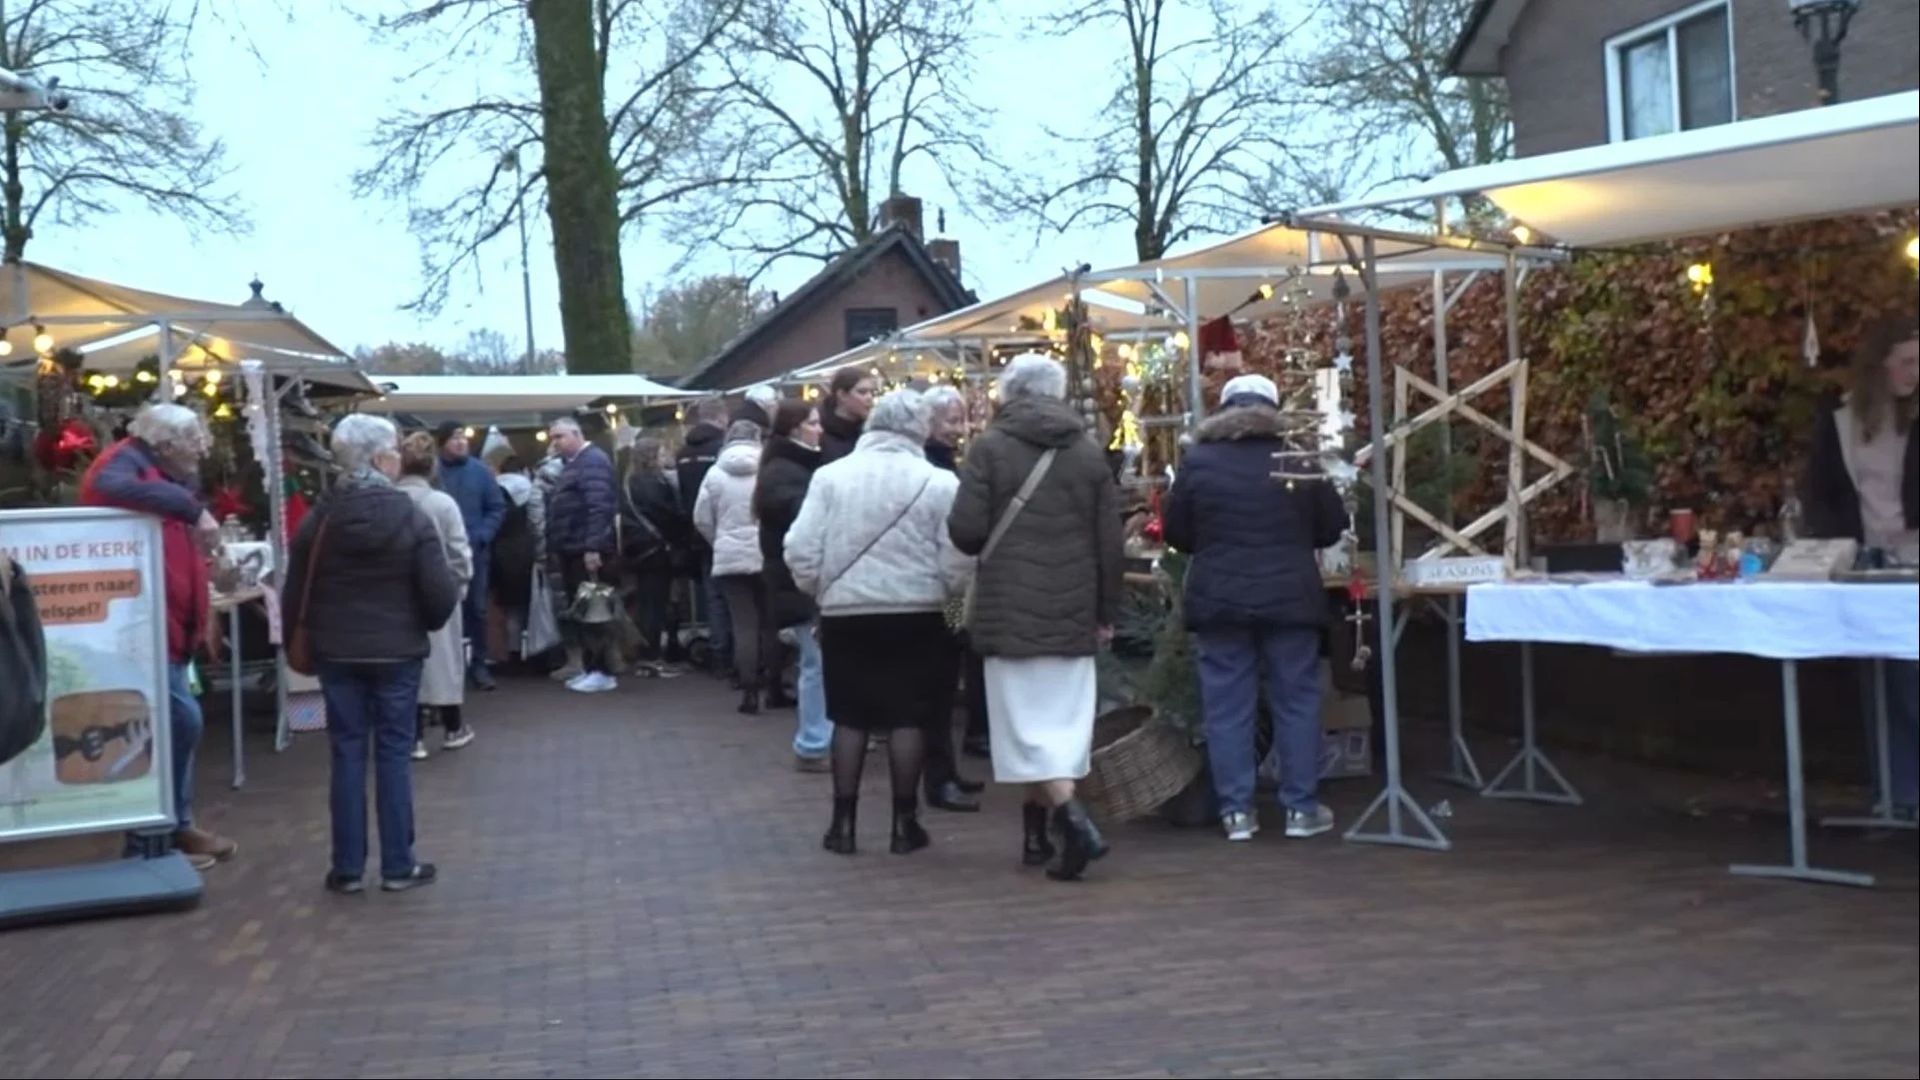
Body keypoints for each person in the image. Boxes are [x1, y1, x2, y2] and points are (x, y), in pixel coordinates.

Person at [949, 354, 1123, 881]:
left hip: (1009, 610)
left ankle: (1073, 822)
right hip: (1072, 611)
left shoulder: (989, 449)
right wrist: (1106, 611)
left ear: (1008, 392)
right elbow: (1110, 544)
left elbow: (966, 531)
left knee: (1024, 730)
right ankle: (1037, 836)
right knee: (1061, 731)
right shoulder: (1089, 453)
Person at [1162, 374, 1347, 842]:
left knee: (1227, 707)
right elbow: (1331, 527)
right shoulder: (1298, 457)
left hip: (1220, 599)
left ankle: (1237, 813)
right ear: (1274, 407)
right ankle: (1301, 809)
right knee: (1298, 701)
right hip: (1290, 599)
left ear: (1223, 410)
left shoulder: (1198, 461)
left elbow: (1177, 533)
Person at [786, 390, 968, 856]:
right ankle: (904, 824)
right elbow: (956, 561)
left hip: (847, 612)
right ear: (919, 429)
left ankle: (841, 824)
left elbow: (800, 548)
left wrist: (821, 590)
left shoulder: (830, 477)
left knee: (850, 716)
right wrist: (952, 605)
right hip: (918, 612)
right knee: (909, 717)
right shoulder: (939, 482)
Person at [283, 414, 459, 894]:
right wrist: (417, 622)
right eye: (395, 450)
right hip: (397, 651)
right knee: (394, 753)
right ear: (382, 458)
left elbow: (295, 588)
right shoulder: (411, 516)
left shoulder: (320, 520)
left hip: (336, 651)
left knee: (346, 752)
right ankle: (399, 865)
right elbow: (440, 594)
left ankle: (347, 867)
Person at [79, 403, 236, 871]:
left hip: (169, 626)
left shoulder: (164, 473)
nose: (203, 447)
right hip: (137, 625)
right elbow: (103, 487)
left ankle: (174, 826)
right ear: (165, 445)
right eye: (195, 439)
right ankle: (153, 838)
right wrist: (195, 512)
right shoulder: (123, 465)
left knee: (173, 724)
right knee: (177, 722)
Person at [1803, 314, 1919, 820]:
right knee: (1876, 681)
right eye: (1908, 362)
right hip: (1864, 566)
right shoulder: (1839, 421)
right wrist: (1835, 548)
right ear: (1879, 365)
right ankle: (1895, 793)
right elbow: (1820, 492)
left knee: (1912, 680)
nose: (1916, 373)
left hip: (1914, 566)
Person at [919, 384, 984, 812]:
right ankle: (938, 776)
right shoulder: (932, 470)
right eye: (950, 421)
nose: (958, 429)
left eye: (961, 420)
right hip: (941, 587)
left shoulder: (949, 464)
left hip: (953, 585)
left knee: (950, 674)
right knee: (938, 683)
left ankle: (948, 769)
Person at [756, 400, 830, 770]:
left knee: (817, 661)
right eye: (813, 423)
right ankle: (814, 743)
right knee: (815, 662)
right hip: (797, 581)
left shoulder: (788, 468)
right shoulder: (786, 472)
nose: (820, 429)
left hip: (795, 578)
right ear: (794, 429)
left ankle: (820, 738)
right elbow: (801, 526)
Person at [397, 432, 476, 759]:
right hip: (439, 591)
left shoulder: (390, 500)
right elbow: (459, 552)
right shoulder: (443, 504)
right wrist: (459, 587)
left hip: (398, 595)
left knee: (409, 664)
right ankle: (453, 726)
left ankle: (413, 735)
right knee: (445, 662)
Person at [697, 421, 778, 714]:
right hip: (765, 553)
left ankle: (748, 691)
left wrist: (719, 539)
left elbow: (701, 517)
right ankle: (775, 686)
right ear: (758, 437)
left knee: (743, 624)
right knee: (770, 623)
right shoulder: (768, 468)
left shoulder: (715, 474)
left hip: (729, 557)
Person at [546, 417, 621, 694]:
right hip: (574, 547)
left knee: (594, 612)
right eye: (553, 437)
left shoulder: (591, 462)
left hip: (584, 549)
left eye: (560, 436)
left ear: (577, 434)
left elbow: (599, 506)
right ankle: (593, 668)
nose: (555, 442)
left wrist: (593, 547)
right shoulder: (579, 463)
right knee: (586, 611)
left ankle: (601, 670)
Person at [432, 422, 505, 691]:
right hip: (437, 553)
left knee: (477, 609)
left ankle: (479, 663)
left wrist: (484, 534)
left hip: (474, 550)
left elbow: (496, 507)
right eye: (454, 438)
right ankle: (447, 668)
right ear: (442, 443)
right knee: (443, 609)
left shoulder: (480, 472)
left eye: (463, 437)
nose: (461, 442)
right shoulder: (432, 472)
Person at [622, 436, 692, 674]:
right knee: (655, 603)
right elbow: (666, 514)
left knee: (648, 601)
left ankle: (648, 652)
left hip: (641, 548)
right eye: (661, 453)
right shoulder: (651, 482)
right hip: (656, 548)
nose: (665, 457)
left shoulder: (631, 481)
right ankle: (650, 654)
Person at [677, 397, 734, 676]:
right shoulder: (723, 450)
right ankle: (737, 653)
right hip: (728, 531)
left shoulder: (683, 452)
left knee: (712, 596)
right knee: (736, 597)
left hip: (698, 532)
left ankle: (718, 651)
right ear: (723, 417)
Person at [488, 452, 540, 667]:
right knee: (533, 606)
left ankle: (512, 653)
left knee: (508, 608)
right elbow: (538, 523)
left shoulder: (494, 491)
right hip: (527, 551)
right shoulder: (532, 490)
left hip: (500, 553)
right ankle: (538, 652)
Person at [818, 367, 877, 464]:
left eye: (872, 392)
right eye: (862, 392)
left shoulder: (872, 431)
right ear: (842, 395)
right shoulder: (818, 431)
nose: (869, 397)